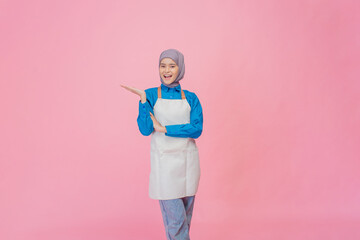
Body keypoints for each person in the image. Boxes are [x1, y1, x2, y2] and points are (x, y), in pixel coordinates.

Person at [121, 48, 203, 240]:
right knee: (176, 223)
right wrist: (142, 102)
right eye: (162, 66)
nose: (166, 70)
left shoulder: (191, 98)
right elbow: (145, 129)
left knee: (185, 221)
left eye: (172, 66)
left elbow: (196, 129)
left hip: (188, 165)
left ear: (180, 68)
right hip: (165, 166)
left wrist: (165, 128)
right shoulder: (149, 95)